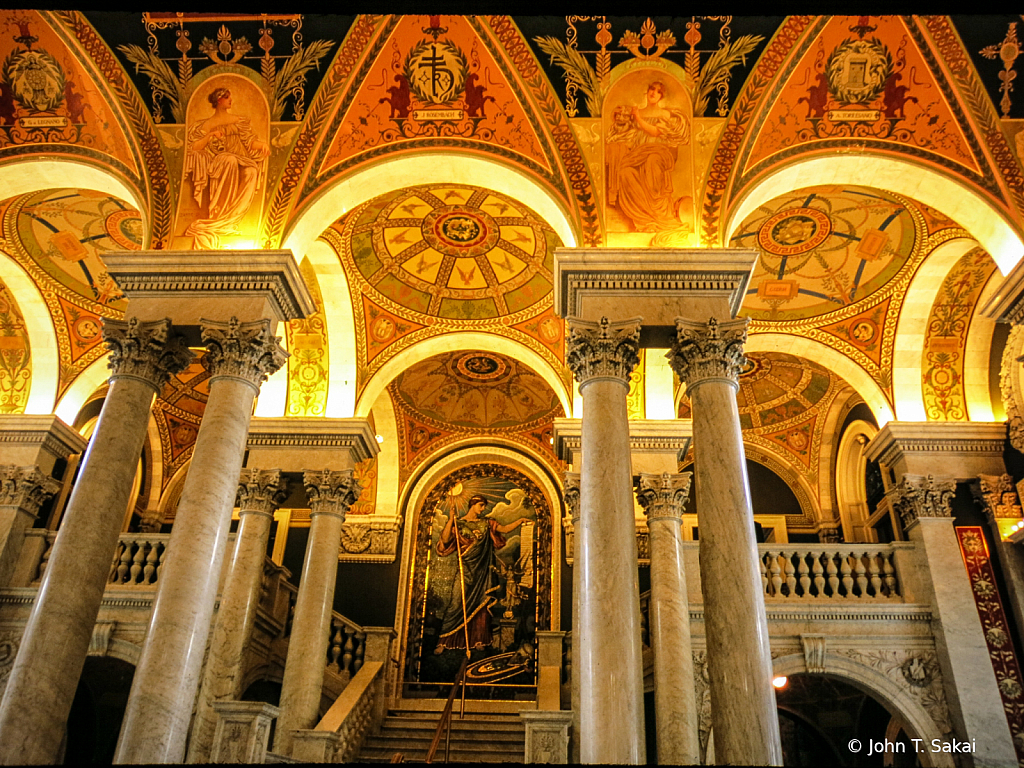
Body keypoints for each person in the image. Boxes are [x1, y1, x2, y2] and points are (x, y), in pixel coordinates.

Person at [434, 494, 530, 653]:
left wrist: (520, 521)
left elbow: (504, 529)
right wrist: (451, 518)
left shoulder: (487, 523)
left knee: (482, 605)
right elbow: (444, 540)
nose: (483, 509)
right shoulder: (459, 524)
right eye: (481, 505)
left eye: (484, 506)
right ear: (473, 504)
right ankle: (444, 641)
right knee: (456, 603)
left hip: (482, 571)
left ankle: (479, 639)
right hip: (465, 570)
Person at [184, 87, 269, 249]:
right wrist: (209, 136)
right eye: (227, 97)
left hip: (242, 160)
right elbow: (195, 147)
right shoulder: (207, 124)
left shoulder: (238, 120)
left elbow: (249, 142)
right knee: (228, 159)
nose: (231, 100)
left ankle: (232, 218)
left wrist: (262, 145)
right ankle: (219, 216)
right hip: (219, 160)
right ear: (219, 100)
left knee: (252, 171)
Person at [606, 80, 690, 232]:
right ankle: (644, 218)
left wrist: (638, 118)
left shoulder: (663, 114)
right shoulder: (637, 112)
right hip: (638, 154)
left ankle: (660, 213)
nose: (653, 92)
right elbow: (627, 133)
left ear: (661, 97)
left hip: (659, 152)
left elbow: (655, 132)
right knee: (625, 172)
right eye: (652, 89)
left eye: (658, 91)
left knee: (652, 161)